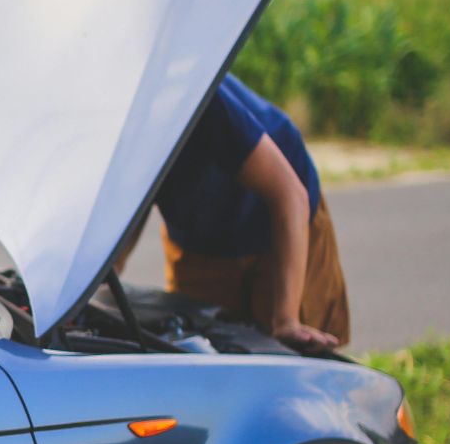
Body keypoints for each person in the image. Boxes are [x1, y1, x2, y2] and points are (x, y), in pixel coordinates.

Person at [128, 74, 350, 351]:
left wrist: (286, 318)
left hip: (283, 223)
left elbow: (289, 196)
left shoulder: (196, 97)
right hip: (199, 236)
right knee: (202, 350)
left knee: (290, 353)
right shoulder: (109, 123)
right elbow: (126, 209)